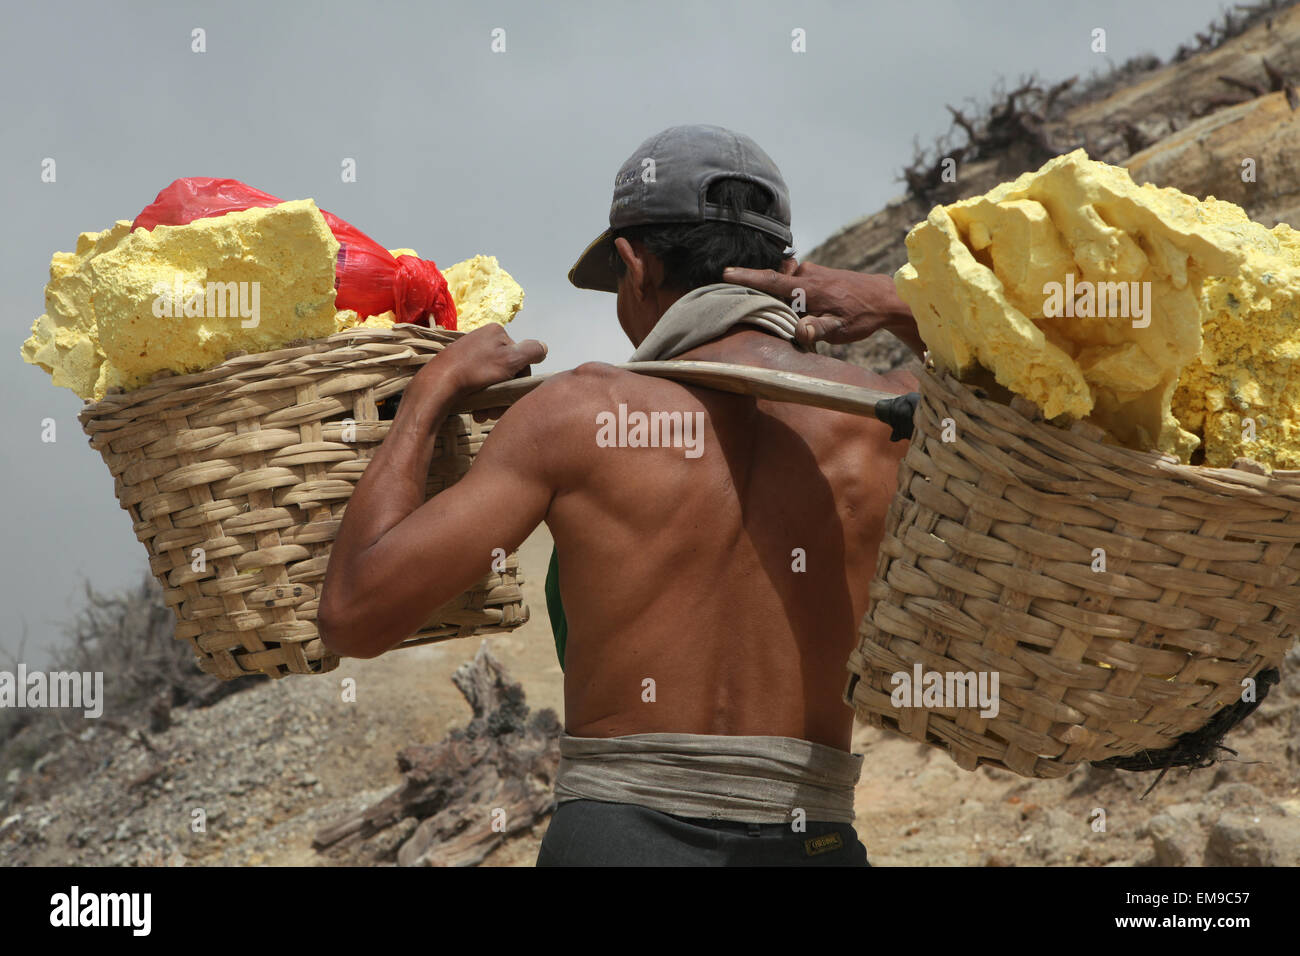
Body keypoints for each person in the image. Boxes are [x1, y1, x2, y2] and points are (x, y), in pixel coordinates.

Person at [319, 125, 923, 866]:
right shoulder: (887, 418)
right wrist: (897, 303)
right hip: (814, 843)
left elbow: (354, 615)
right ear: (790, 269)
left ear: (635, 267)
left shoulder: (575, 417)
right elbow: (1067, 401)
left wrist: (427, 396)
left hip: (620, 841)